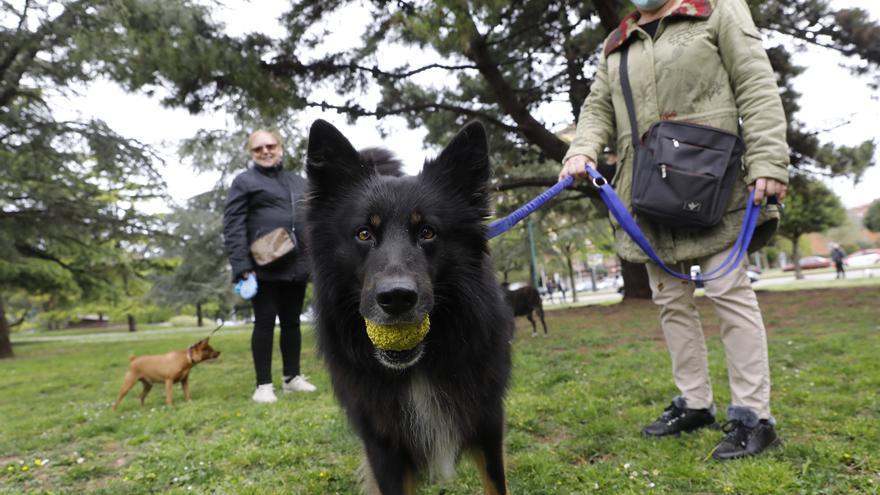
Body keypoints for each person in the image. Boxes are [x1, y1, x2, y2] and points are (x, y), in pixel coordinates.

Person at [559, 0, 788, 460]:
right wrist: (579, 151)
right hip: (645, 193)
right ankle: (696, 403)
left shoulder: (717, 10)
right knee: (670, 302)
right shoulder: (618, 41)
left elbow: (756, 84)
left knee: (728, 290)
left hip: (712, 181)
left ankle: (753, 416)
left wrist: (768, 160)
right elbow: (597, 108)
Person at [223, 129, 316, 403]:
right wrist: (242, 266)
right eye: (258, 148)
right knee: (263, 324)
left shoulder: (298, 182)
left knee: (291, 324)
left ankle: (292, 378)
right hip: (262, 266)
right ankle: (263, 385)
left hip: (296, 266)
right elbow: (233, 225)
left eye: (270, 146)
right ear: (251, 153)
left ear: (281, 147)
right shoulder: (244, 182)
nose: (265, 151)